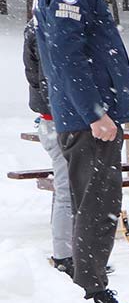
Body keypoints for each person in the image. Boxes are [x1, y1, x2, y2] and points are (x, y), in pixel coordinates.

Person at [33, 0, 129, 303]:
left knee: (95, 200)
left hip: (88, 115)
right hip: (89, 119)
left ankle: (88, 279)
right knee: (97, 203)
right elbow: (67, 57)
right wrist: (95, 112)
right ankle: (90, 289)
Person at [24, 18, 75, 276]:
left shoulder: (37, 28)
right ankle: (65, 256)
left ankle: (73, 253)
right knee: (67, 190)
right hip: (58, 121)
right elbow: (45, 79)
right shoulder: (47, 29)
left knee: (68, 189)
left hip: (52, 119)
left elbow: (35, 76)